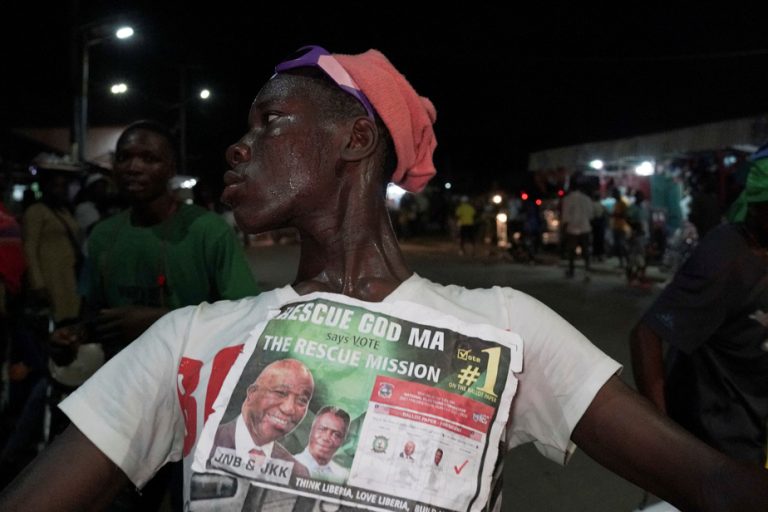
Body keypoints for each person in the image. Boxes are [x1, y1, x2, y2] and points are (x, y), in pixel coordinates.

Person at [1, 45, 767, 512]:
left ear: (357, 138)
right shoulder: (192, 340)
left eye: (269, 122)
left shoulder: (506, 331)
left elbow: (713, 486)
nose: (238, 147)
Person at [48, 120, 260, 511]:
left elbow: (245, 317)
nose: (134, 167)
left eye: (149, 158)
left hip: (193, 407)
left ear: (169, 167)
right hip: (126, 403)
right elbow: (92, 313)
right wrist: (73, 334)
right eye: (125, 157)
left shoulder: (207, 231)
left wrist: (157, 321)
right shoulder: (103, 236)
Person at [630, 147, 768, 468]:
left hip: (755, 430)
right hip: (717, 442)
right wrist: (664, 437)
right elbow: (647, 334)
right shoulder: (728, 254)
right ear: (760, 207)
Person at [209, 359, 312, 479]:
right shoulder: (207, 441)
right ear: (252, 393)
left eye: (302, 400)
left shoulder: (297, 473)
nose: (289, 409)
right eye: (280, 392)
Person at [293, 405, 350, 482]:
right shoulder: (288, 464)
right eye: (322, 429)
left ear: (343, 440)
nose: (326, 438)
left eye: (336, 434)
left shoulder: (342, 478)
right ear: (311, 429)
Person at [561, 179, 593, 280]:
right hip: (585, 227)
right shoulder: (587, 199)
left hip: (572, 228)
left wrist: (564, 228)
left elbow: (566, 215)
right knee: (585, 251)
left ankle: (571, 271)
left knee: (571, 251)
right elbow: (590, 214)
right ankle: (587, 271)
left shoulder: (568, 199)